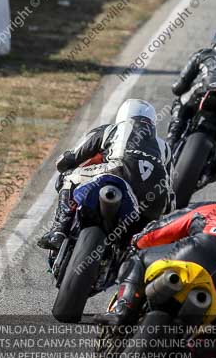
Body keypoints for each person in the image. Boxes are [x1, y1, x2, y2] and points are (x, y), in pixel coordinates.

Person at [97, 179, 216, 358]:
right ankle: (189, 351)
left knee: (138, 260)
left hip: (193, 255)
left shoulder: (213, 208)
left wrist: (137, 242)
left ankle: (123, 309)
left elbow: (160, 230)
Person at [37, 99, 174, 251]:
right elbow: (170, 195)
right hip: (157, 198)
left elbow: (71, 157)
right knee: (136, 246)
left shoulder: (113, 129)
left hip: (118, 171)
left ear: (123, 115)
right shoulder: (166, 148)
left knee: (69, 178)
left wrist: (62, 162)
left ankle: (59, 230)